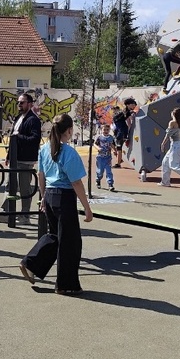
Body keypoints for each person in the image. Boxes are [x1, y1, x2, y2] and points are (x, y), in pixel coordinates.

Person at [19, 113, 93, 295]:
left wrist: (43, 196)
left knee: (55, 235)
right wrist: (87, 208)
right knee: (70, 242)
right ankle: (66, 284)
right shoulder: (68, 152)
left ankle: (31, 263)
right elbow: (76, 182)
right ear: (69, 131)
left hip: (51, 194)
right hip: (64, 196)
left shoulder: (45, 149)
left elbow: (41, 175)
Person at [10, 92, 43, 218]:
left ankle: (25, 214)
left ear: (29, 104)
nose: (19, 104)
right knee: (10, 186)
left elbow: (35, 139)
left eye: (22, 102)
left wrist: (20, 136)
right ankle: (5, 212)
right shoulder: (18, 118)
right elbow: (13, 138)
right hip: (15, 157)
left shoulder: (33, 120)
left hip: (26, 159)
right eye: (18, 102)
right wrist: (9, 156)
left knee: (24, 188)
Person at [111, 98, 136, 167]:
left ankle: (118, 163)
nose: (134, 106)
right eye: (132, 104)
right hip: (119, 130)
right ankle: (119, 159)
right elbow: (129, 122)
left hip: (121, 131)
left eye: (134, 105)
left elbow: (130, 122)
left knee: (119, 147)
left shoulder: (127, 112)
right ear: (128, 105)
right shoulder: (125, 112)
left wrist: (129, 132)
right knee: (112, 143)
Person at [93, 123, 116, 192]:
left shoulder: (110, 137)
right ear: (101, 130)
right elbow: (94, 144)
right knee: (100, 171)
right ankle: (98, 179)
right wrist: (98, 148)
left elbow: (112, 145)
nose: (106, 131)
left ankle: (110, 184)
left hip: (108, 157)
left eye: (107, 130)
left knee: (109, 171)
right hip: (100, 157)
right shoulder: (99, 137)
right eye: (104, 130)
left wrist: (114, 150)